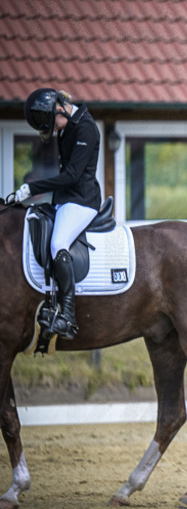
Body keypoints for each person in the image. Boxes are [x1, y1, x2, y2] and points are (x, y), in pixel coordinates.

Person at [11, 88, 102, 339]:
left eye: (54, 125)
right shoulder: (66, 124)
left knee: (58, 242)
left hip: (82, 200)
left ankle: (68, 317)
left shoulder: (86, 129)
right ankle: (49, 302)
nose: (55, 131)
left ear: (59, 108)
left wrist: (32, 188)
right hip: (64, 199)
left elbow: (72, 175)